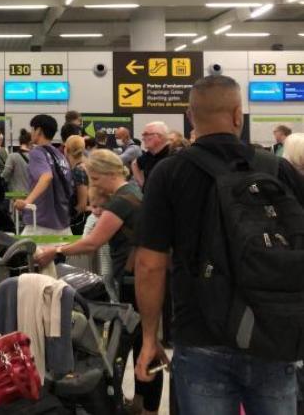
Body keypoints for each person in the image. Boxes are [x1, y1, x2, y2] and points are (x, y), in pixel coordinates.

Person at [135, 75, 304, 414]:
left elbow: (150, 264)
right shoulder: (277, 169)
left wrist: (149, 337)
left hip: (200, 331)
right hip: (273, 330)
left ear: (190, 116)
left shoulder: (168, 173)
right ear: (238, 115)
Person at [43, 150, 158, 414]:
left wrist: (56, 251)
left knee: (138, 343)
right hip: (138, 276)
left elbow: (92, 242)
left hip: (132, 279)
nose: (94, 185)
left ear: (109, 173)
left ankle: (143, 406)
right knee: (143, 342)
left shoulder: (121, 201)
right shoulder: (133, 191)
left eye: (95, 179)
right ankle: (142, 403)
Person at [14, 115, 74, 260]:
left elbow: (46, 176)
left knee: (22, 262)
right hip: (63, 225)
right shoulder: (59, 155)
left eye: (32, 129)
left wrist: (27, 202)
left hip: (41, 224)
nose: (31, 133)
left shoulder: (37, 153)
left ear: (39, 130)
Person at [132, 122, 170, 190]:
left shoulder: (173, 156)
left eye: (146, 134)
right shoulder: (149, 154)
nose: (143, 139)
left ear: (160, 136)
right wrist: (144, 185)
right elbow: (134, 164)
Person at [65, 135, 89, 236]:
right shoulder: (85, 166)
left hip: (80, 223)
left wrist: (68, 218)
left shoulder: (78, 171)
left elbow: (82, 205)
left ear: (66, 150)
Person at [2, 128, 32, 194]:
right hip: (32, 195)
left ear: (20, 142)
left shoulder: (12, 156)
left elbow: (5, 175)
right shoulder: (35, 157)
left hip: (16, 195)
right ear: (30, 143)